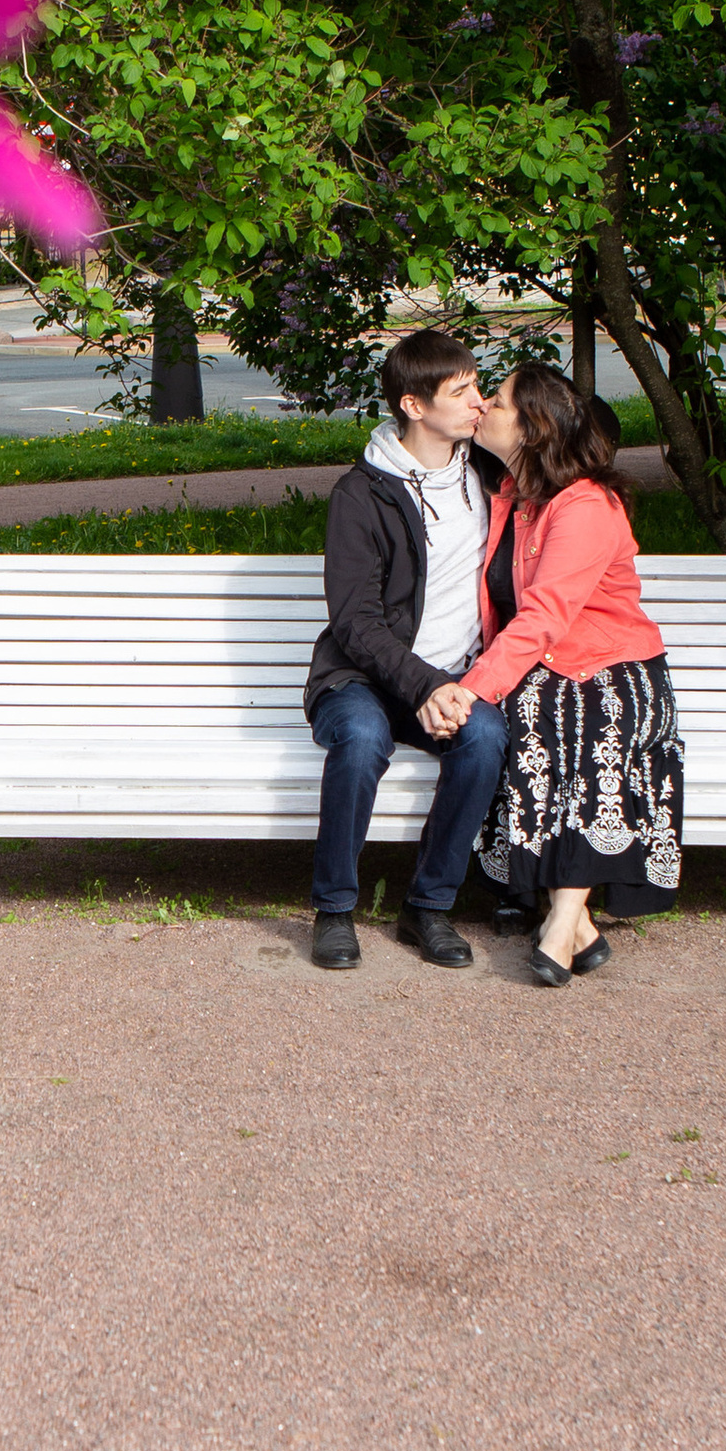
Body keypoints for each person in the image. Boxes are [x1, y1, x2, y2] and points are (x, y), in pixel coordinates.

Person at [459, 363, 685, 985]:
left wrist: (471, 686)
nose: (482, 408)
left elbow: (545, 616)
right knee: (528, 715)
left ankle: (562, 920)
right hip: (546, 670)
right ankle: (578, 925)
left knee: (585, 720)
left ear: (531, 429)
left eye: (497, 401)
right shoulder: (516, 497)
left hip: (616, 669)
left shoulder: (585, 504)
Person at [301, 329, 509, 971]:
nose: (479, 401)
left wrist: (455, 686)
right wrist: (423, 686)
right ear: (414, 406)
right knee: (361, 740)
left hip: (451, 682)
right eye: (462, 390)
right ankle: (334, 910)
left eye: (478, 384)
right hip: (361, 680)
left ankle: (428, 908)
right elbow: (356, 621)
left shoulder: (490, 477)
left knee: (486, 739)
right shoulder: (360, 495)